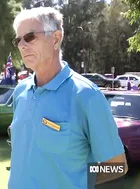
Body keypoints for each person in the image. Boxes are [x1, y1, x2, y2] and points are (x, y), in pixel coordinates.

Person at [8, 7, 127, 189]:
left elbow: (118, 166)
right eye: (18, 40)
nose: (22, 45)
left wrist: (78, 177)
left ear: (55, 39)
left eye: (30, 37)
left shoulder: (86, 95)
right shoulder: (20, 92)